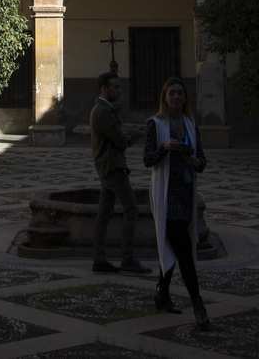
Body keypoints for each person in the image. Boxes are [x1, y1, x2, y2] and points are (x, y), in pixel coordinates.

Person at [143, 76, 210, 330]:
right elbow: (148, 159)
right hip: (166, 193)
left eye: (180, 93)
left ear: (185, 98)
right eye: (171, 93)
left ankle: (162, 293)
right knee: (184, 248)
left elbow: (202, 159)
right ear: (164, 97)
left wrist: (197, 163)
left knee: (173, 242)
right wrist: (165, 147)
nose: (176, 97)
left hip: (186, 192)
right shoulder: (156, 124)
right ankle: (198, 305)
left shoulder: (192, 124)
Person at [90, 71, 147, 274]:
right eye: (115, 87)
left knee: (104, 213)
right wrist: (136, 135)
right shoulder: (102, 112)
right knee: (131, 208)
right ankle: (128, 259)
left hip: (108, 166)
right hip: (112, 167)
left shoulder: (105, 109)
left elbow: (119, 112)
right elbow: (121, 141)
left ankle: (99, 259)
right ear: (104, 89)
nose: (119, 91)